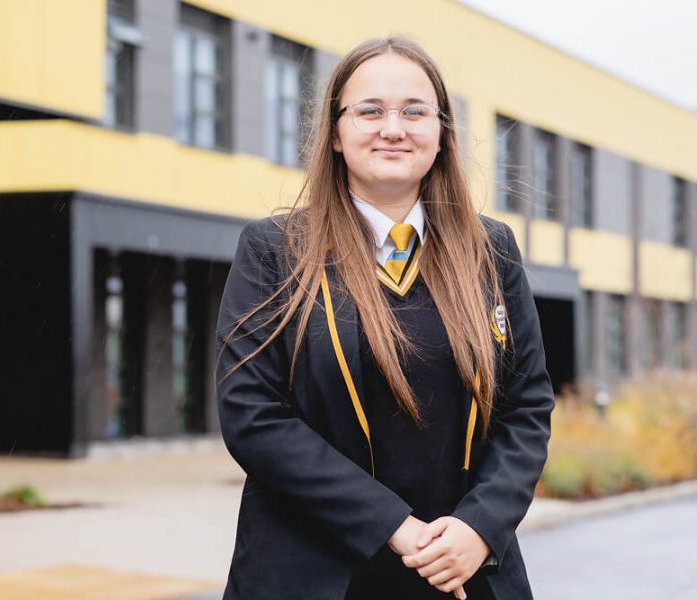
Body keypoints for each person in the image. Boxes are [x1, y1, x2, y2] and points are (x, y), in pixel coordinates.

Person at [215, 36, 554, 600]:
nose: (393, 128)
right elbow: (252, 416)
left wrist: (481, 527)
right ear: (335, 133)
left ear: (442, 133)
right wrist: (394, 527)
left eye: (415, 111)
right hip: (314, 574)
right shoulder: (275, 250)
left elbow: (527, 405)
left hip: (462, 574)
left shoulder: (490, 249)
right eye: (370, 110)